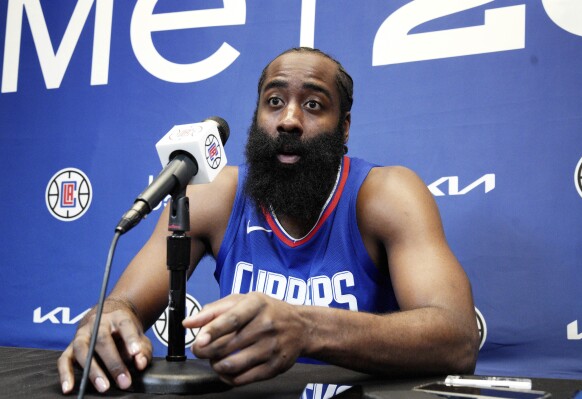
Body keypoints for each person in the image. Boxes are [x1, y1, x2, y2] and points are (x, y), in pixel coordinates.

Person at [57, 47, 479, 394]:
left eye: (313, 105)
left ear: (344, 127)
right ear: (258, 115)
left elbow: (457, 338)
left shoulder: (386, 194)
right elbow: (125, 304)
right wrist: (110, 319)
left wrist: (306, 328)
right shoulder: (213, 194)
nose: (289, 119)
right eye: (274, 102)